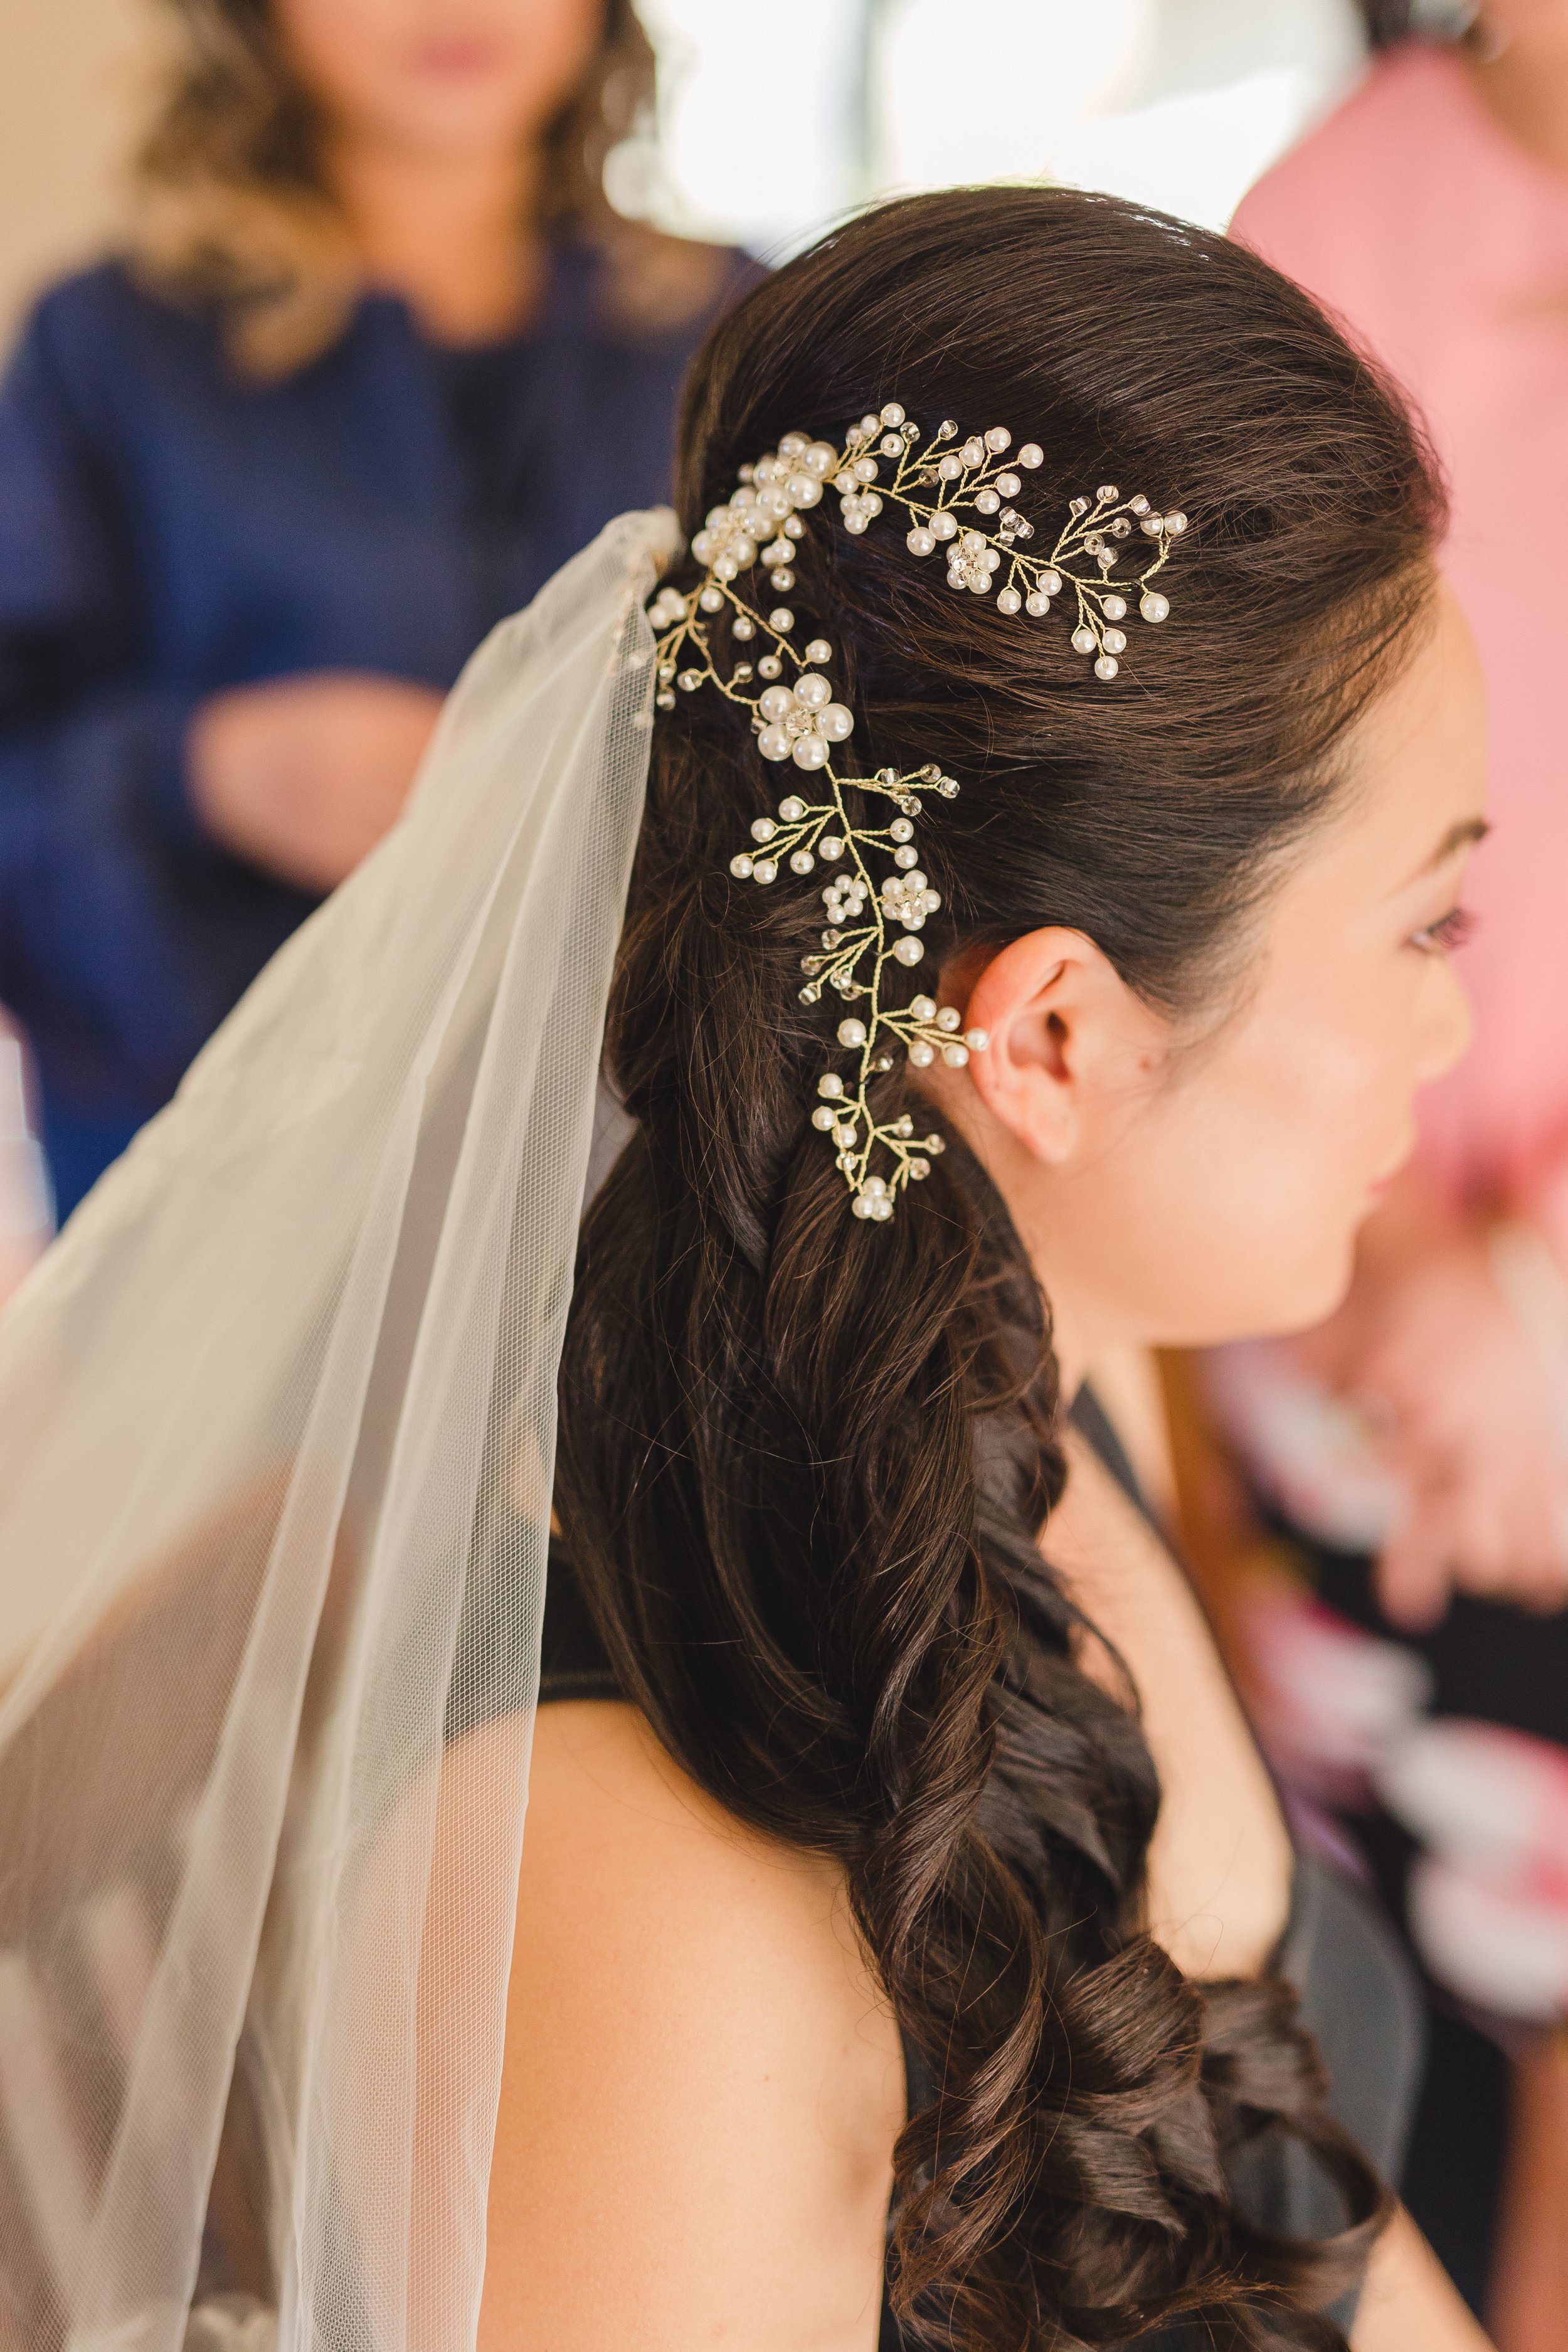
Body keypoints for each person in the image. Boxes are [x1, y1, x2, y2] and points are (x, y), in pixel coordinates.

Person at [0, 187, 1496, 2351]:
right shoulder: (630, 1903)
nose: (1461, 1028)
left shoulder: (1021, 1376)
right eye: (1426, 927)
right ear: (1054, 1033)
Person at [0, 0, 745, 1218]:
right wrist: (208, 774)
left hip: (641, 1186)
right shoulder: (107, 354)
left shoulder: (737, 335)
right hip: (227, 1187)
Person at [1222, 8, 1568, 2334]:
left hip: (1506, 1331)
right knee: (1367, 2046)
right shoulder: (1318, 233)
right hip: (1349, 1330)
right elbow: (1227, 826)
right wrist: (1382, 1283)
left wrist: (1544, 1295)